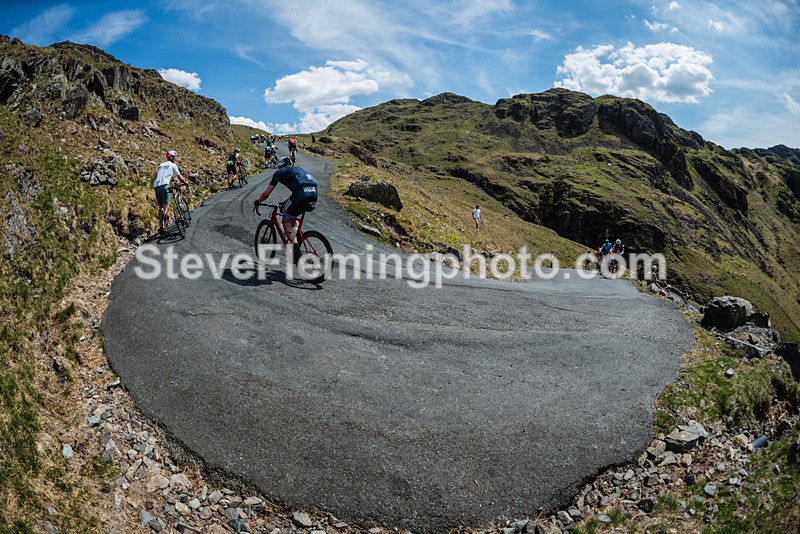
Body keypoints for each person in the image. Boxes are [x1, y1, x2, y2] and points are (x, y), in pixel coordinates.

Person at [253, 157, 318, 255]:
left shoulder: (279, 172)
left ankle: (296, 253)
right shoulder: (299, 169)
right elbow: (297, 193)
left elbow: (266, 194)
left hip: (301, 194)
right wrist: (285, 202)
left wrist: (258, 201)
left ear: (279, 165)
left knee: (286, 221)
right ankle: (295, 233)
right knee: (292, 213)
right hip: (313, 193)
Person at [154, 150, 189, 234]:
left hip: (156, 186)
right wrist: (185, 182)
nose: (175, 159)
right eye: (175, 157)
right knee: (166, 207)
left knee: (161, 207)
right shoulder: (173, 165)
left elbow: (160, 175)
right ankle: (166, 228)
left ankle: (161, 226)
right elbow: (180, 177)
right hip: (165, 185)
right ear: (172, 157)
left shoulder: (161, 165)